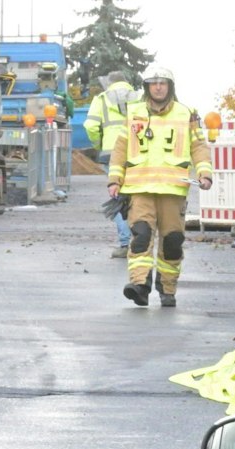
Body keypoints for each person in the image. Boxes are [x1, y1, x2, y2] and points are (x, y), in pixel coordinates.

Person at [108, 63, 212, 308]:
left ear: (170, 87)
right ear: (146, 87)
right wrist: (114, 179)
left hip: (173, 189)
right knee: (141, 237)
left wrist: (205, 173)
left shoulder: (186, 113)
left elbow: (198, 146)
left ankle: (167, 289)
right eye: (153, 83)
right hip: (139, 188)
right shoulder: (134, 113)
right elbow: (120, 148)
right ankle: (139, 285)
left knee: (172, 241)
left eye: (162, 83)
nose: (157, 87)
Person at [82, 71, 141, 258]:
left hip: (111, 153)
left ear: (110, 83)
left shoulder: (101, 98)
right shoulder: (139, 98)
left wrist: (99, 145)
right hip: (137, 153)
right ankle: (140, 241)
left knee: (118, 198)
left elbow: (90, 126)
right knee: (138, 198)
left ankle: (125, 244)